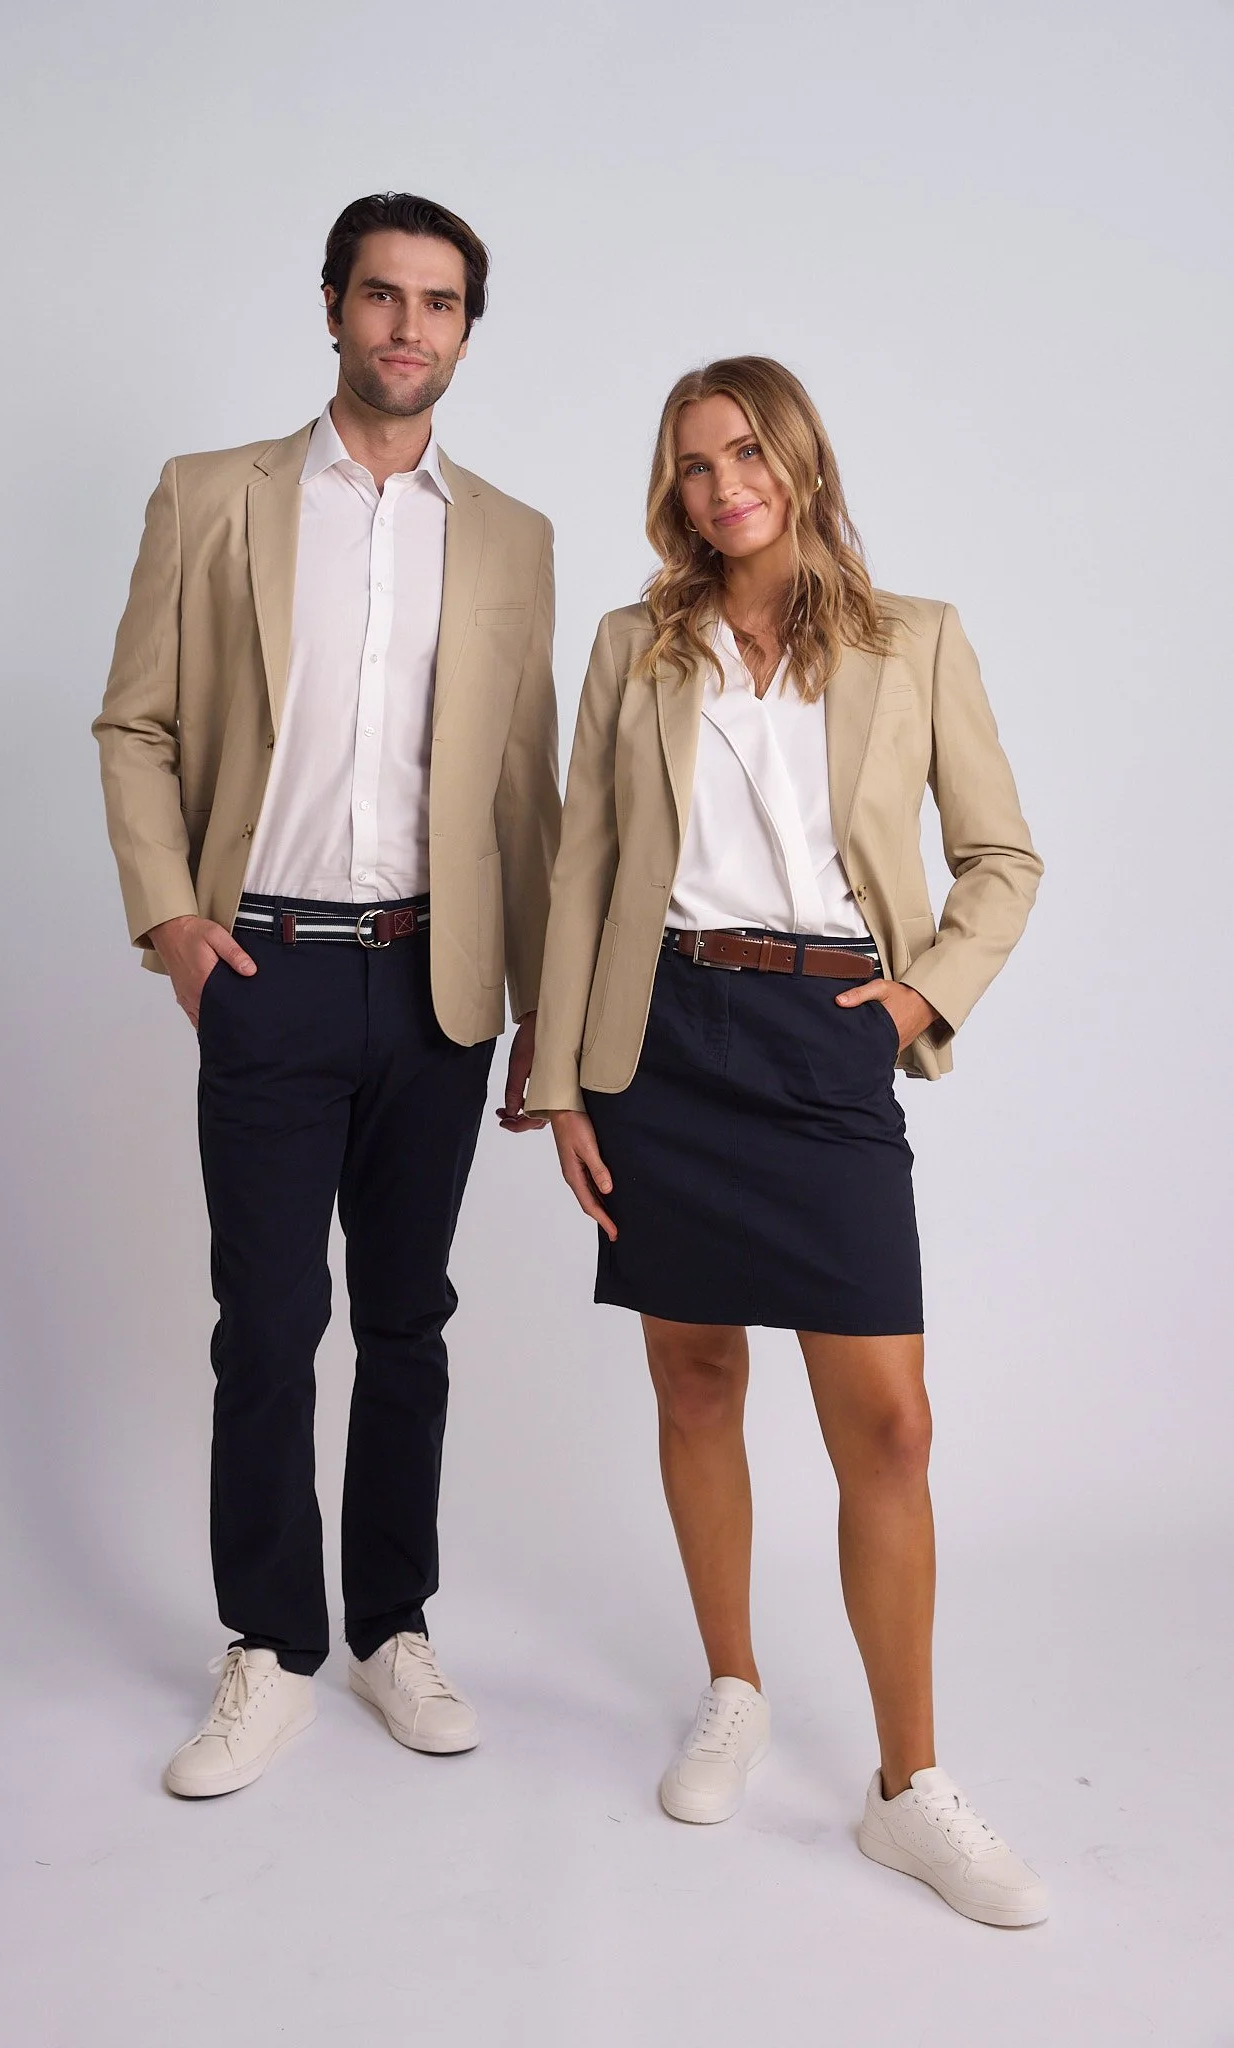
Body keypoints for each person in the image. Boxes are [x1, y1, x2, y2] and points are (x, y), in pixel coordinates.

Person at [526, 355, 1047, 1926]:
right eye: (691, 465)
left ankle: (909, 1788)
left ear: (799, 459)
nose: (719, 485)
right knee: (694, 1373)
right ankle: (732, 1683)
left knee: (888, 1425)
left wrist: (908, 1005)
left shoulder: (914, 641)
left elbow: (1001, 856)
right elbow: (581, 868)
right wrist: (560, 1078)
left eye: (742, 452)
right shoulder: (638, 645)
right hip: (663, 1040)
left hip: (827, 1038)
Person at [94, 192, 559, 1798]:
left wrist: (544, 1027)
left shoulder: (509, 536)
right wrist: (169, 917)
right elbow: (134, 724)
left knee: (411, 1320)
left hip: (439, 982)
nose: (407, 328)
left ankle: (393, 1627)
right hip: (268, 970)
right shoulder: (212, 496)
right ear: (331, 306)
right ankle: (270, 1649)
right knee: (271, 1324)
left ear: (464, 330)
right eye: (381, 296)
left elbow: (528, 794)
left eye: (438, 304)